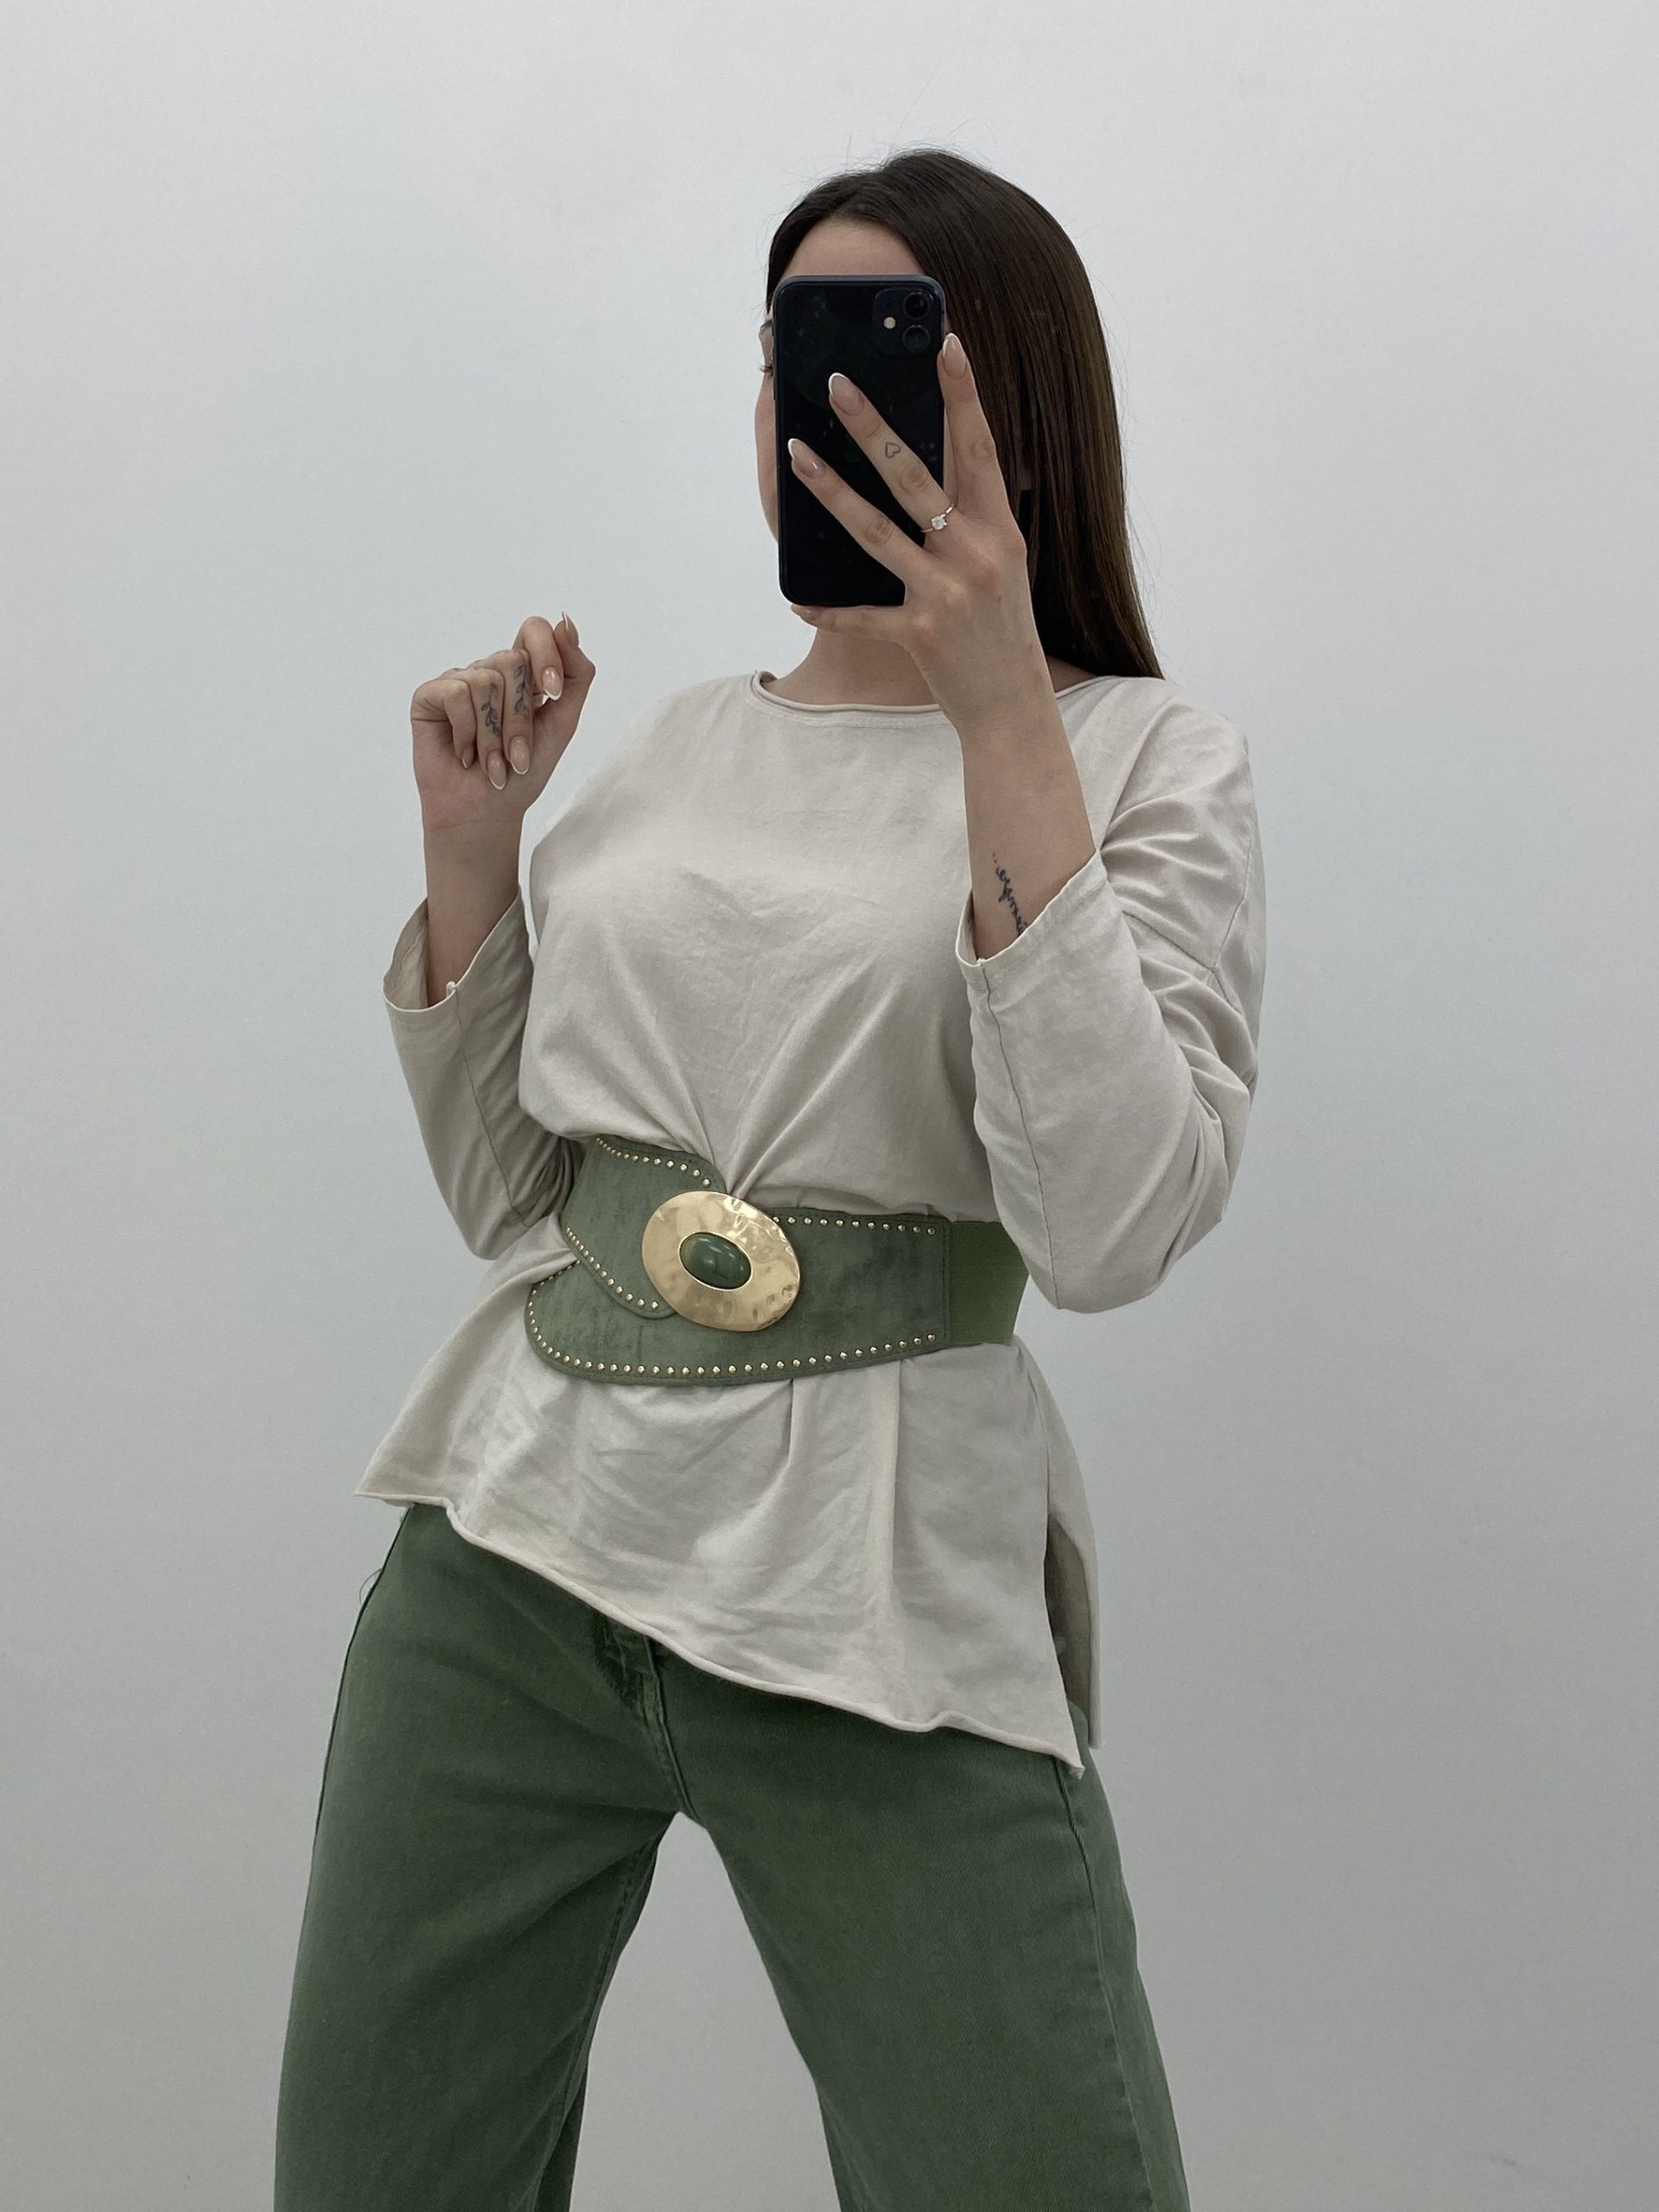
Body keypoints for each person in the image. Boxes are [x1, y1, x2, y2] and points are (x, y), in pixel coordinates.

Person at [274, 145, 1265, 2212]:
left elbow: (1106, 1223)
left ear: (1011, 412)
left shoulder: (1144, 753)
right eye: (785, 358)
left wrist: (1002, 710)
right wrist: (474, 857)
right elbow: (514, 1198)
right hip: (507, 1559)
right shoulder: (672, 744)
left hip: (875, 1596)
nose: (811, 415)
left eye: (880, 362)